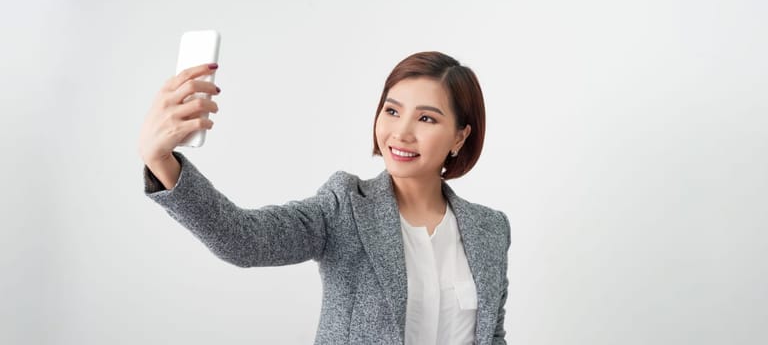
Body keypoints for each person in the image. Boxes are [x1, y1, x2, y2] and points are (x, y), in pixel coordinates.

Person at [139, 51, 510, 345]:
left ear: (459, 138)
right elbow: (243, 240)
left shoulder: (490, 229)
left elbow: (491, 336)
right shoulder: (344, 206)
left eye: (426, 119)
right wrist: (161, 161)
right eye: (392, 111)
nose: (401, 132)